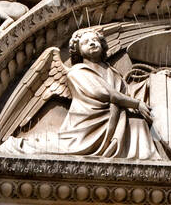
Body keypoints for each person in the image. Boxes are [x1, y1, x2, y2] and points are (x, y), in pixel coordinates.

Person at [45, 29, 164, 160]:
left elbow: (128, 92)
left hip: (116, 117)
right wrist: (137, 104)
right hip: (89, 123)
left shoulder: (113, 72)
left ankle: (147, 160)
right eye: (85, 42)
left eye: (95, 40)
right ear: (78, 51)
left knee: (138, 123)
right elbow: (103, 93)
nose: (92, 43)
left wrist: (153, 80)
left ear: (102, 45)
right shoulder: (77, 72)